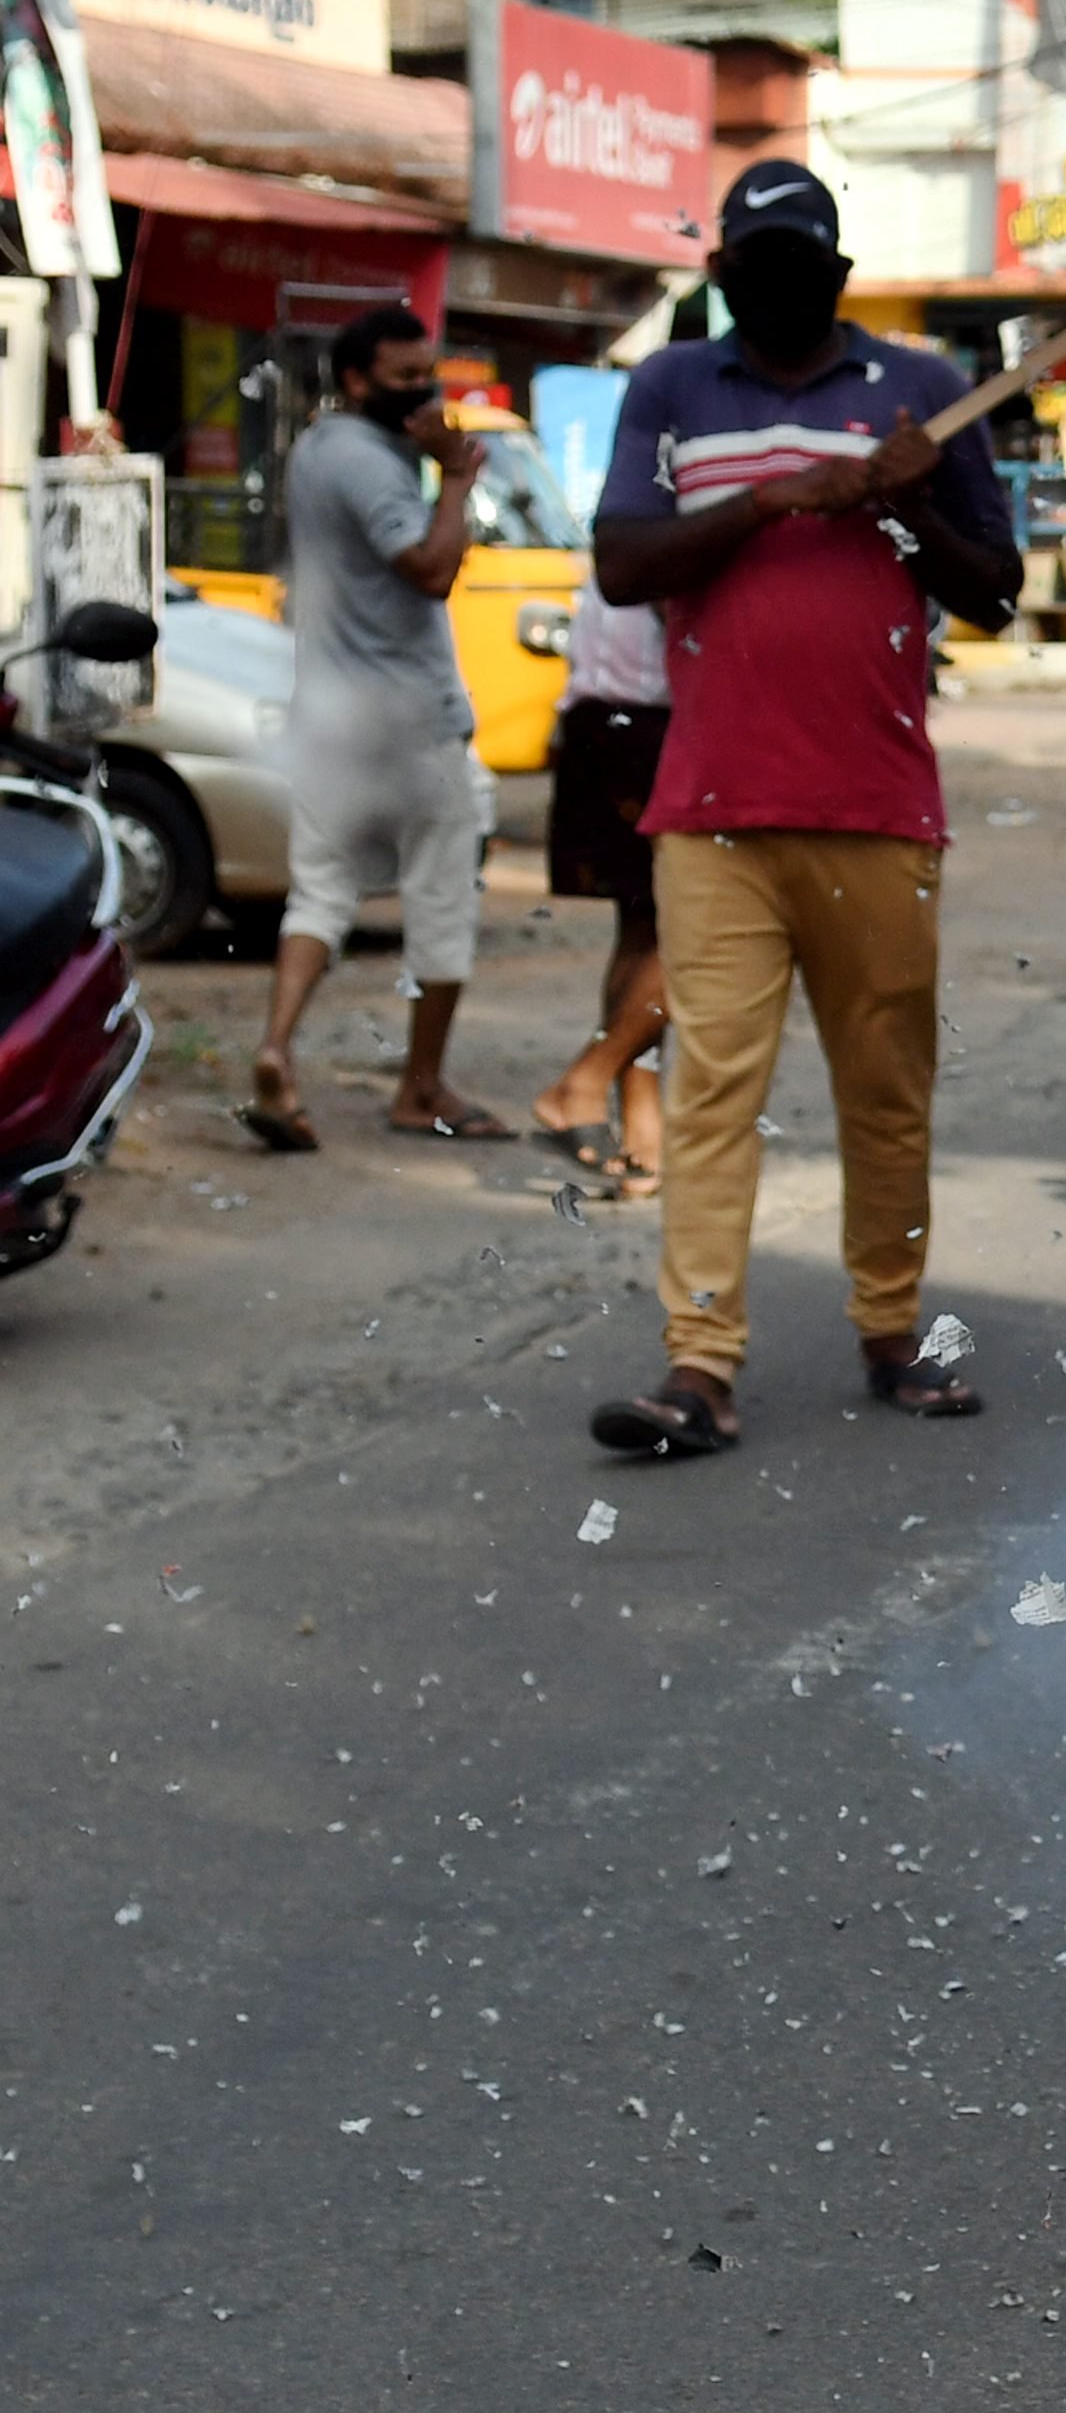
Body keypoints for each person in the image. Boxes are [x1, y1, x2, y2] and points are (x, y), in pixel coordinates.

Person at [579, 160, 1022, 1455]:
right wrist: (774, 498)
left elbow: (994, 591)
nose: (777, 288)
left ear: (838, 276)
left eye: (800, 268)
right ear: (721, 276)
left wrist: (910, 501)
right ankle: (699, 1366)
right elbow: (621, 563)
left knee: (885, 1088)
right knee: (713, 1089)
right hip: (713, 808)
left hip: (877, 805)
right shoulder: (670, 388)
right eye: (754, 268)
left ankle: (892, 1331)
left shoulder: (923, 392)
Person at [242, 301, 507, 1149]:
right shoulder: (373, 465)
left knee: (319, 893)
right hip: (413, 721)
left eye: (427, 372)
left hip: (331, 715)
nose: (423, 389)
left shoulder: (319, 448)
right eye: (404, 377)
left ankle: (276, 1050)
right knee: (441, 903)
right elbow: (429, 569)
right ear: (356, 380)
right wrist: (456, 479)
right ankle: (420, 1087)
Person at [525, 531, 674, 1195]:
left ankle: (643, 1134)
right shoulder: (684, 499)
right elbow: (682, 607)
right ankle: (584, 1083)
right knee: (703, 933)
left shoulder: (636, 497)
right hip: (655, 720)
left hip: (600, 714)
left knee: (644, 930)